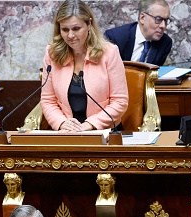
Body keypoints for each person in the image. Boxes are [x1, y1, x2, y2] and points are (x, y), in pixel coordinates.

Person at [40, 0, 128, 132]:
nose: (70, 35)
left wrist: (89, 124)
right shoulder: (52, 54)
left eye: (76, 29)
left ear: (89, 24)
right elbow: (48, 100)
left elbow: (120, 102)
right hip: (66, 133)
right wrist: (62, 123)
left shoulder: (109, 53)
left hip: (103, 132)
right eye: (65, 29)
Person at [104, 0, 173, 66]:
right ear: (142, 18)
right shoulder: (115, 38)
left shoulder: (165, 43)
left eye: (166, 20)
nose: (163, 26)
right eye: (158, 19)